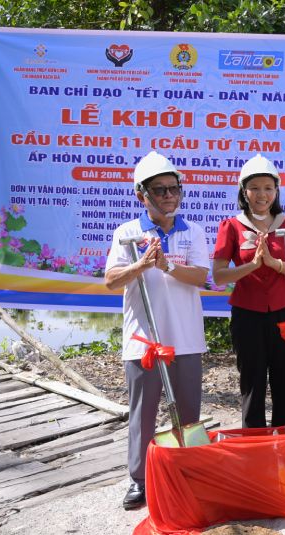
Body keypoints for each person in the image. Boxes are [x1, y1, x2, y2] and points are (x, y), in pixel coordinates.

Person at [104, 151, 209, 510]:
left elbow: (200, 276)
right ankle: (139, 480)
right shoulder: (128, 233)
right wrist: (140, 264)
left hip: (186, 338)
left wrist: (165, 266)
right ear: (141, 195)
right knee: (143, 414)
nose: (168, 196)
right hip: (144, 342)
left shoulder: (193, 230)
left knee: (189, 413)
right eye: (159, 190)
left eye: (173, 189)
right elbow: (110, 280)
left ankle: (191, 472)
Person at [212, 154, 285, 428]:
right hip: (247, 315)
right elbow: (219, 275)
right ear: (244, 191)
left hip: (284, 313)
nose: (262, 194)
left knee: (284, 381)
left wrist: (273, 263)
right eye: (255, 188)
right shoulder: (231, 226)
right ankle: (253, 445)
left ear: (276, 190)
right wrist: (253, 265)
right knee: (252, 382)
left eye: (268, 187)